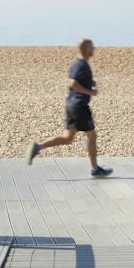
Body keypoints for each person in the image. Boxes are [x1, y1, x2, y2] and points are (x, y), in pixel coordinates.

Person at [26, 38, 112, 176]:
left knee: (67, 138)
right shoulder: (81, 65)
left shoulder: (79, 64)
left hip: (72, 106)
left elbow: (78, 80)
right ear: (85, 49)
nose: (94, 49)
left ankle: (38, 147)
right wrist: (90, 91)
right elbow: (72, 83)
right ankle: (95, 169)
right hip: (80, 107)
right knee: (92, 135)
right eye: (91, 47)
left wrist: (90, 82)